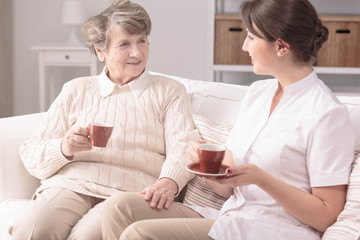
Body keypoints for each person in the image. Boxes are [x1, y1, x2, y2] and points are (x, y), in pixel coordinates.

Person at [100, 0, 356, 239]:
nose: (244, 45)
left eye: (251, 37)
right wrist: (205, 165)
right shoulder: (259, 94)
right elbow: (225, 187)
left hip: (273, 229)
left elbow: (326, 215)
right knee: (117, 208)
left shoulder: (326, 115)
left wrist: (261, 179)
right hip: (229, 216)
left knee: (139, 235)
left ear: (281, 47)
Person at [9, 0, 198, 239]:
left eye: (142, 40)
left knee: (87, 236)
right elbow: (32, 154)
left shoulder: (169, 91)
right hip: (72, 183)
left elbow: (184, 146)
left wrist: (169, 181)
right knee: (34, 228)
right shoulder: (76, 90)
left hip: (131, 192)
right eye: (124, 44)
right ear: (101, 51)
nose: (137, 53)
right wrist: (63, 148)